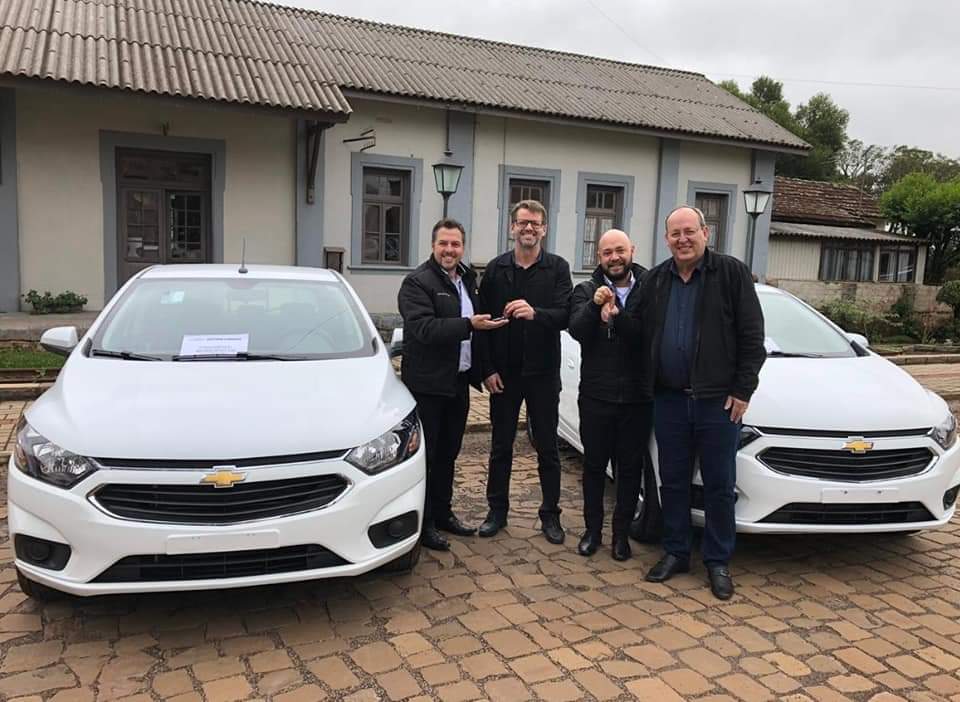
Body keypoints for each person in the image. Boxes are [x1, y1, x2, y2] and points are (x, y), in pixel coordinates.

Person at [639, 205, 765, 599]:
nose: (683, 239)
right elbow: (636, 328)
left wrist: (743, 389)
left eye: (689, 231)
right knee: (673, 482)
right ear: (666, 239)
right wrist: (606, 311)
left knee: (719, 485)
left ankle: (717, 560)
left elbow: (752, 336)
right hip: (670, 400)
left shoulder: (731, 274)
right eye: (675, 233)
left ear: (705, 233)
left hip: (717, 402)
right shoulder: (656, 279)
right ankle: (676, 552)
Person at [397, 218, 508, 551]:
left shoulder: (468, 280)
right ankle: (425, 523)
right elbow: (424, 329)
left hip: (457, 383)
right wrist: (468, 324)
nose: (449, 250)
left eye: (455, 244)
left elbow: (476, 336)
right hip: (427, 385)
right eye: (443, 243)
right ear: (433, 246)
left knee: (449, 454)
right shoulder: (417, 282)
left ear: (463, 247)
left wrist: (484, 370)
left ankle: (443, 513)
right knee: (427, 457)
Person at [476, 200, 572, 544]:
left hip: (543, 373)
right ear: (512, 228)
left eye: (535, 223)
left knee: (547, 447)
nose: (528, 228)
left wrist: (536, 313)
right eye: (522, 223)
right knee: (501, 446)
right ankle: (496, 511)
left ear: (544, 229)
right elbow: (482, 323)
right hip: (504, 374)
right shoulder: (496, 268)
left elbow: (566, 315)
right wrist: (487, 369)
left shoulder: (558, 268)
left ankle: (550, 515)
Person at [567, 229, 651, 561]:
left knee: (629, 470)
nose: (614, 258)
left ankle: (620, 536)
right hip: (596, 397)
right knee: (593, 467)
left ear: (631, 251)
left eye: (620, 250)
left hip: (637, 398)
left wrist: (619, 316)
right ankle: (592, 532)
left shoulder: (650, 288)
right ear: (598, 257)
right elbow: (576, 329)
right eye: (607, 253)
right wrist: (595, 307)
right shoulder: (586, 290)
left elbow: (647, 335)